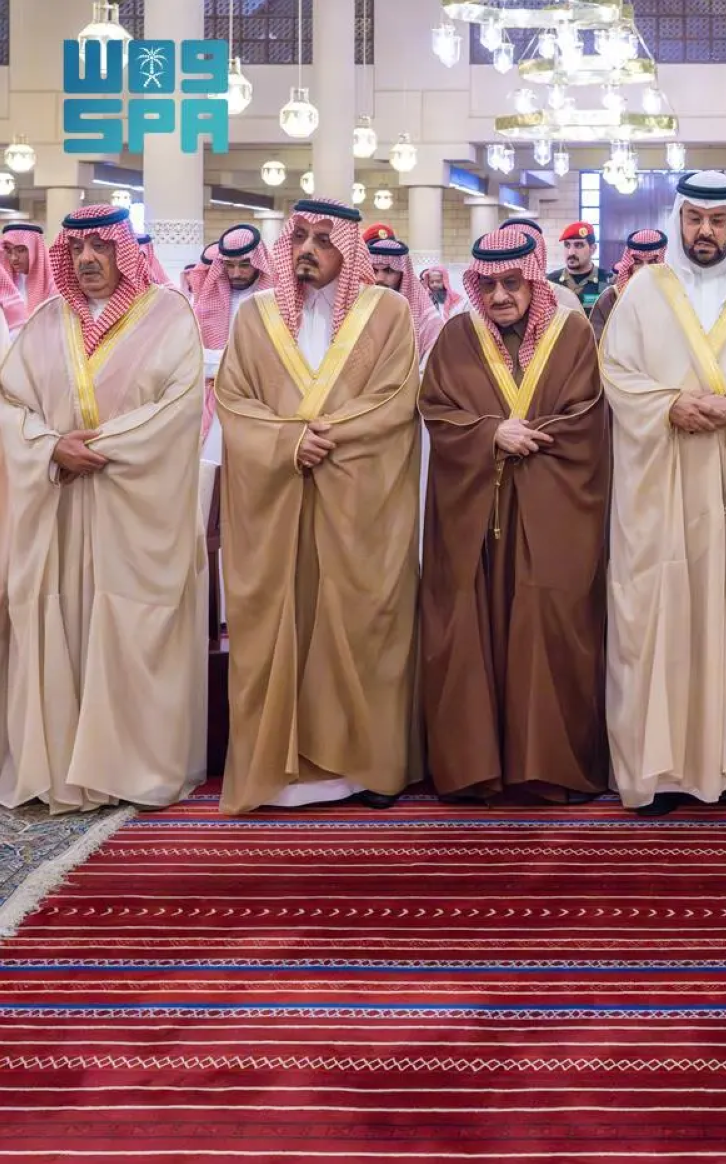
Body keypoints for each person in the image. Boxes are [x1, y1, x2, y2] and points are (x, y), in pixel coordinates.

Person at [598, 170, 726, 818]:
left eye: (717, 220)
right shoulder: (644, 292)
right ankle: (659, 777)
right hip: (661, 495)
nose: (705, 231)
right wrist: (668, 404)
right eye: (694, 219)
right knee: (658, 620)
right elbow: (616, 370)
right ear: (679, 221)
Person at [213, 196, 423, 815]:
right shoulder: (254, 316)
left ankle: (366, 766)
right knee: (275, 623)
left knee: (363, 623)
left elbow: (395, 398)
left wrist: (321, 440)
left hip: (359, 502)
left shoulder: (388, 312)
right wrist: (288, 444)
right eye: (300, 236)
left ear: (350, 250)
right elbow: (234, 400)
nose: (308, 249)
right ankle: (277, 768)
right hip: (275, 501)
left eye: (324, 240)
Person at [0, 204, 206, 812]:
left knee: (132, 625)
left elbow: (179, 409)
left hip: (135, 511)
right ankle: (62, 765)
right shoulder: (45, 321)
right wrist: (50, 447)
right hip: (59, 508)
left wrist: (94, 450)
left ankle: (130, 768)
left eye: (102, 247)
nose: (88, 259)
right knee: (61, 624)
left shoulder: (171, 316)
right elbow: (10, 405)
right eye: (78, 249)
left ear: (126, 249)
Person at [418, 229, 611, 804]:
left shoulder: (571, 333)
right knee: (470, 631)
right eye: (488, 285)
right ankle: (476, 767)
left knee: (549, 626)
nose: (500, 295)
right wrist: (489, 434)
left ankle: (547, 767)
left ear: (533, 280)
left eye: (512, 283)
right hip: (474, 518)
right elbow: (436, 408)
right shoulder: (457, 336)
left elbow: (588, 414)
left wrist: (526, 438)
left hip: (552, 513)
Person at [194, 223, 276, 465]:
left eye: (244, 265)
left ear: (258, 263)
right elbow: (194, 356)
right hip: (213, 399)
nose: (236, 273)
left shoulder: (275, 299)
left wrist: (217, 363)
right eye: (229, 265)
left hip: (259, 399)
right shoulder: (209, 300)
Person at [367, 235, 445, 361]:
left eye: (388, 271)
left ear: (403, 274)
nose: (379, 278)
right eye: (374, 270)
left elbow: (434, 361)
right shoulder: (357, 308)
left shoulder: (426, 318)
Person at [587, 228, 667, 339]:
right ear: (630, 265)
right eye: (638, 262)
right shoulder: (611, 297)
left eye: (652, 262)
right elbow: (597, 342)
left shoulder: (673, 296)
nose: (644, 269)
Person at [500, 218, 585, 315]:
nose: (516, 263)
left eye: (526, 258)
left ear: (539, 256)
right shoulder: (489, 300)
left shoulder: (565, 299)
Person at [3, 222, 53, 329]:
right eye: (9, 251)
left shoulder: (54, 285)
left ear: (35, 250)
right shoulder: (6, 284)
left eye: (21, 250)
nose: (13, 258)